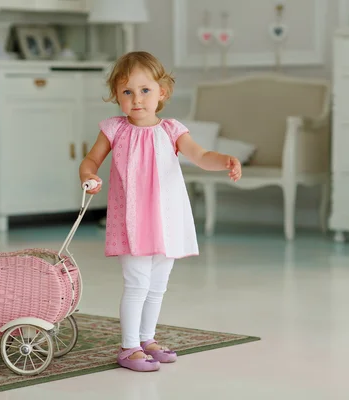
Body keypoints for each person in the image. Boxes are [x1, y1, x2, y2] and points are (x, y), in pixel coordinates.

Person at [78, 51, 242, 372]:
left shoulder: (172, 130)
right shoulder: (114, 129)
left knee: (157, 285)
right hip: (133, 221)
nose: (136, 99)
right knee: (137, 283)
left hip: (166, 220)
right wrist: (89, 175)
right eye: (127, 92)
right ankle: (128, 347)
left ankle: (146, 338)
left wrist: (223, 161)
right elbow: (90, 161)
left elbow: (200, 155)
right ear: (117, 96)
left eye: (144, 90)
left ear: (161, 93)